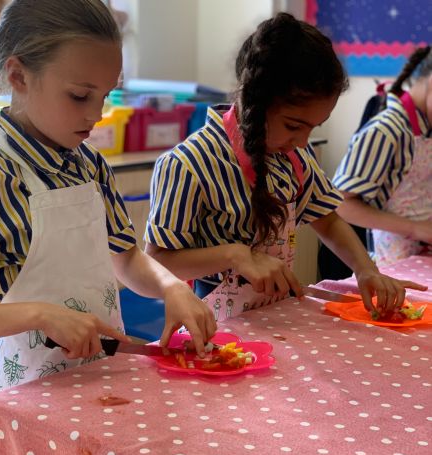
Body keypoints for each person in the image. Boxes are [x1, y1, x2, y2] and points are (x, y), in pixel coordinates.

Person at [0, 0, 216, 397]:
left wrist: (172, 286)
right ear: (18, 76)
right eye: (81, 96)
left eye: (105, 96)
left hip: (98, 378)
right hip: (21, 395)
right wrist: (40, 315)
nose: (96, 115)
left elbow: (127, 258)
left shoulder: (90, 166)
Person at [145, 13, 427, 322]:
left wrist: (365, 269)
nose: (303, 141)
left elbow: (328, 221)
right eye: (294, 125)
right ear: (256, 100)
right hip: (214, 326)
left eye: (313, 127)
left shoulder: (293, 159)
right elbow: (159, 261)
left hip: (276, 316)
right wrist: (236, 254)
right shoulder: (188, 165)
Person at [333, 46, 432, 267]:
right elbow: (341, 204)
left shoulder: (427, 128)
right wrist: (415, 228)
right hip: (394, 262)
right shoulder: (385, 131)